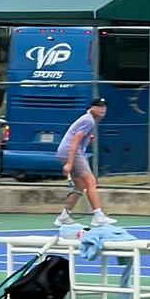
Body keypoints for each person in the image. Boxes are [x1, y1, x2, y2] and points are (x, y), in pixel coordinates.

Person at [54, 96, 115, 227]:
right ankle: (98, 216)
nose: (103, 109)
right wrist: (69, 163)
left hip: (65, 152)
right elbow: (75, 142)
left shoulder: (88, 120)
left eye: (104, 106)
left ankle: (64, 216)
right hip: (71, 153)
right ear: (93, 108)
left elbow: (78, 138)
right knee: (91, 180)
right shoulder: (89, 121)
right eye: (99, 106)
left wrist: (89, 138)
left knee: (80, 185)